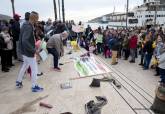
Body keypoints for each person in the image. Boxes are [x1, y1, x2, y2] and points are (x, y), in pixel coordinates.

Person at [16, 11, 43, 92]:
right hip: (28, 52)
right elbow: (25, 41)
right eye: (37, 18)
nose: (38, 20)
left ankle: (19, 81)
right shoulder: (28, 26)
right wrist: (34, 50)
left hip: (24, 51)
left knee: (25, 66)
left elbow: (23, 39)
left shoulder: (25, 24)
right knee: (34, 69)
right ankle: (34, 86)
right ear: (34, 18)